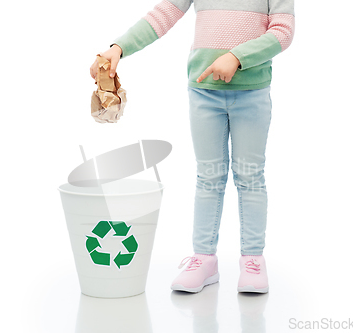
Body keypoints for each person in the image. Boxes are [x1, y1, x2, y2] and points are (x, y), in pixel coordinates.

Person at [90, 0, 295, 293]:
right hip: (203, 93)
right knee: (209, 177)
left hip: (252, 94)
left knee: (250, 176)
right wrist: (118, 48)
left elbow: (283, 31)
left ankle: (252, 260)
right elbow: (163, 15)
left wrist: (237, 57)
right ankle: (204, 259)